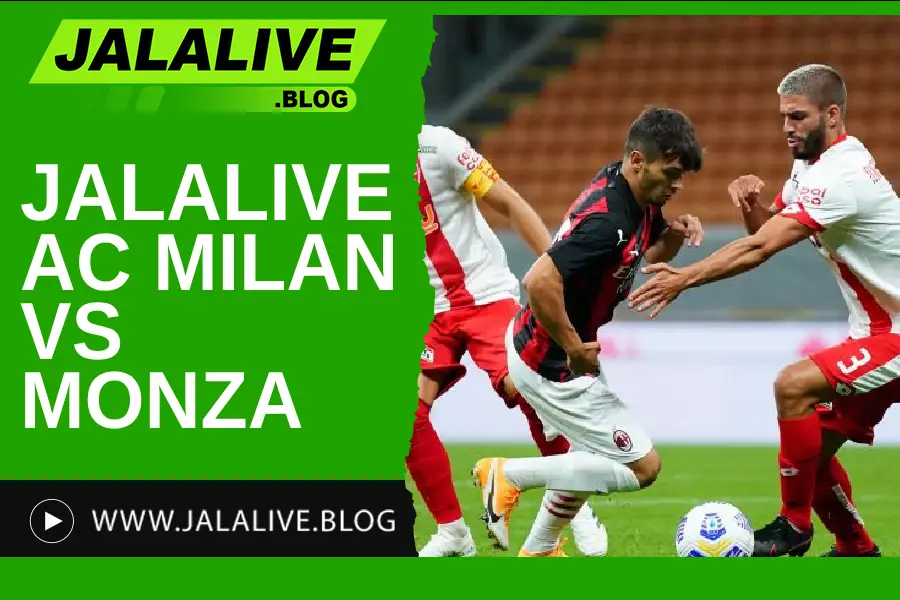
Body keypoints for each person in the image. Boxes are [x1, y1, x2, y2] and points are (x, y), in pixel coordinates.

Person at [628, 64, 893, 558]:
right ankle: (855, 548)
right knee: (810, 446)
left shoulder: (842, 175)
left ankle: (794, 526)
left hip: (895, 334)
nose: (787, 127)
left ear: (832, 115)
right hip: (874, 334)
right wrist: (752, 204)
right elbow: (765, 230)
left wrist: (684, 277)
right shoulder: (811, 168)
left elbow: (760, 248)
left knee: (792, 387)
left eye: (798, 117)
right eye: (783, 117)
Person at [472, 107, 706, 557]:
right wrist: (574, 347)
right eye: (672, 173)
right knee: (642, 468)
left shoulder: (634, 194)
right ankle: (508, 475)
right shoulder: (607, 223)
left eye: (682, 177)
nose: (677, 185)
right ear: (637, 161)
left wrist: (674, 234)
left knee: (585, 458)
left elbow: (647, 250)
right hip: (550, 359)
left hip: (546, 350)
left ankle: (539, 550)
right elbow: (538, 281)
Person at [411, 124, 609, 557]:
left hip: (483, 295)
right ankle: (453, 534)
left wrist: (559, 272)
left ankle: (575, 506)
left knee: (526, 390)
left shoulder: (436, 146)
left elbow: (510, 204)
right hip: (427, 311)